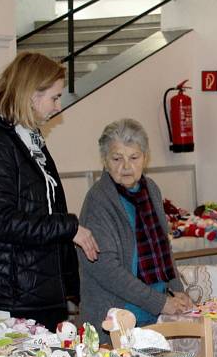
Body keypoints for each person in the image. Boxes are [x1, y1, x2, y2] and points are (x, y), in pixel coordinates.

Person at [0, 52, 99, 331]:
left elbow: (42, 208)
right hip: (7, 295)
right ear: (31, 94)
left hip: (32, 291)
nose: (58, 107)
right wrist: (69, 227)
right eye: (54, 97)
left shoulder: (27, 139)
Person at [78, 119, 191, 340]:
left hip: (153, 316)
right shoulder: (99, 200)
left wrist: (177, 289)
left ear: (145, 158)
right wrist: (160, 302)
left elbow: (163, 247)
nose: (126, 167)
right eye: (117, 158)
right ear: (105, 161)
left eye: (134, 157)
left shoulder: (151, 190)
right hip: (116, 321)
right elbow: (107, 270)